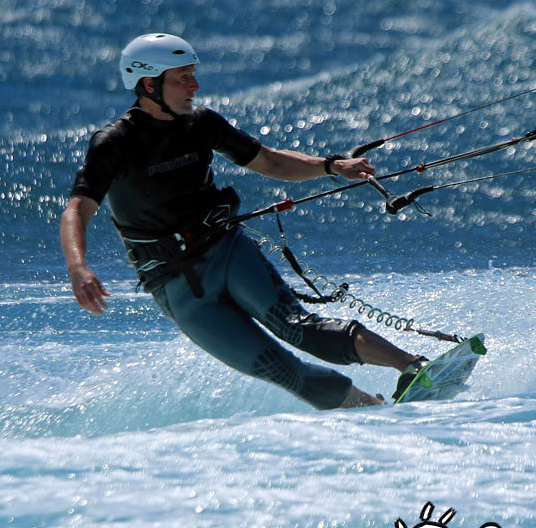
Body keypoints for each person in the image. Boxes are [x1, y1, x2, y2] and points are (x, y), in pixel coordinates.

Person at [60, 33, 426, 409]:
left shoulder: (200, 123)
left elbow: (268, 160)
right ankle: (370, 410)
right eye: (182, 78)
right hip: (173, 283)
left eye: (193, 75)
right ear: (149, 84)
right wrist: (78, 267)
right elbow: (78, 208)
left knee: (295, 326)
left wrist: (332, 166)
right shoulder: (115, 142)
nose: (194, 86)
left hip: (225, 250)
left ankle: (415, 367)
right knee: (278, 368)